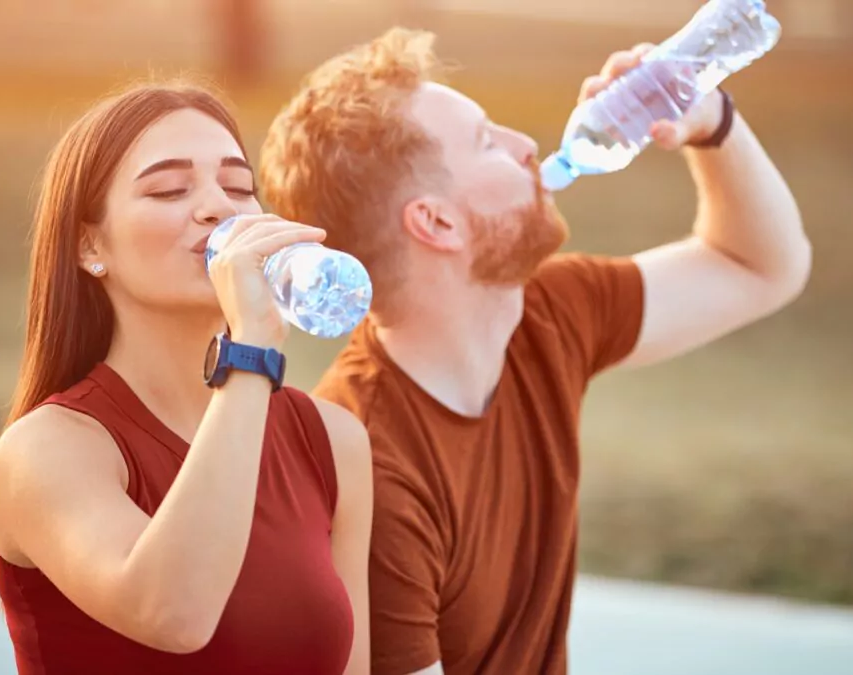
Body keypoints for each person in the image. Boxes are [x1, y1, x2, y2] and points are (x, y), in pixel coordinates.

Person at [259, 27, 811, 675]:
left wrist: (711, 123)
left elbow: (761, 266)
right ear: (435, 222)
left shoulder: (545, 312)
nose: (525, 145)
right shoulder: (373, 473)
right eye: (486, 141)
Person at [0, 82, 372, 675]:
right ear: (89, 245)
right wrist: (250, 348)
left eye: (238, 186)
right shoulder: (46, 450)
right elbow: (173, 615)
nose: (218, 208)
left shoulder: (333, 442)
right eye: (168, 189)